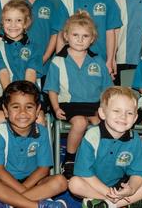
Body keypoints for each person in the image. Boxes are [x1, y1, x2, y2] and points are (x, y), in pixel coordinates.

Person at [44, 11, 113, 179]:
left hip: (94, 105)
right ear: (66, 36)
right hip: (69, 104)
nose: (80, 39)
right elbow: (52, 88)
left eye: (85, 36)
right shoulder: (58, 61)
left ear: (92, 39)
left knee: (101, 125)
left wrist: (106, 109)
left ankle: (96, 160)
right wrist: (55, 107)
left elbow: (107, 90)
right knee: (80, 122)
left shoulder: (97, 61)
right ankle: (70, 159)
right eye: (75, 35)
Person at [0, 80, 68, 208]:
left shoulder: (41, 131)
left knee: (61, 181)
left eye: (29, 107)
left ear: (37, 110)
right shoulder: (0, 132)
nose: (22, 112)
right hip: (5, 183)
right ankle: (35, 206)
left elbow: (43, 169)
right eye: (15, 107)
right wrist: (21, 190)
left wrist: (23, 189)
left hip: (33, 183)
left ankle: (7, 203)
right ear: (5, 110)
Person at [69, 86, 142, 207]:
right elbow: (85, 173)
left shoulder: (135, 139)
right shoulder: (92, 136)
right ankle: (125, 202)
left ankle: (110, 204)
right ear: (102, 113)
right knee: (74, 184)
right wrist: (108, 193)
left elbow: (138, 173)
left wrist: (131, 188)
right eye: (116, 111)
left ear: (135, 118)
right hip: (94, 185)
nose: (123, 116)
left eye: (129, 113)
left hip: (120, 186)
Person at [60, 0, 122, 79]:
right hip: (72, 62)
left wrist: (110, 60)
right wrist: (59, 61)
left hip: (101, 61)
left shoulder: (108, 1)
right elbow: (61, 35)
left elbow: (111, 33)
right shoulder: (66, 1)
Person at [0, 0, 44, 126]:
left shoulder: (35, 47)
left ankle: (35, 146)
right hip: (6, 96)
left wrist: (24, 101)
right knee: (0, 117)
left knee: (39, 119)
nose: (13, 25)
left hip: (30, 95)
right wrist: (13, 101)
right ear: (2, 22)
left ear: (26, 23)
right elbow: (3, 75)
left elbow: (31, 75)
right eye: (8, 20)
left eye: (18, 20)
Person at [12, 0, 68, 82]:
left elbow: (55, 34)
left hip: (45, 65)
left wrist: (45, 57)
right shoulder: (12, 6)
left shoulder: (50, 5)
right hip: (19, 66)